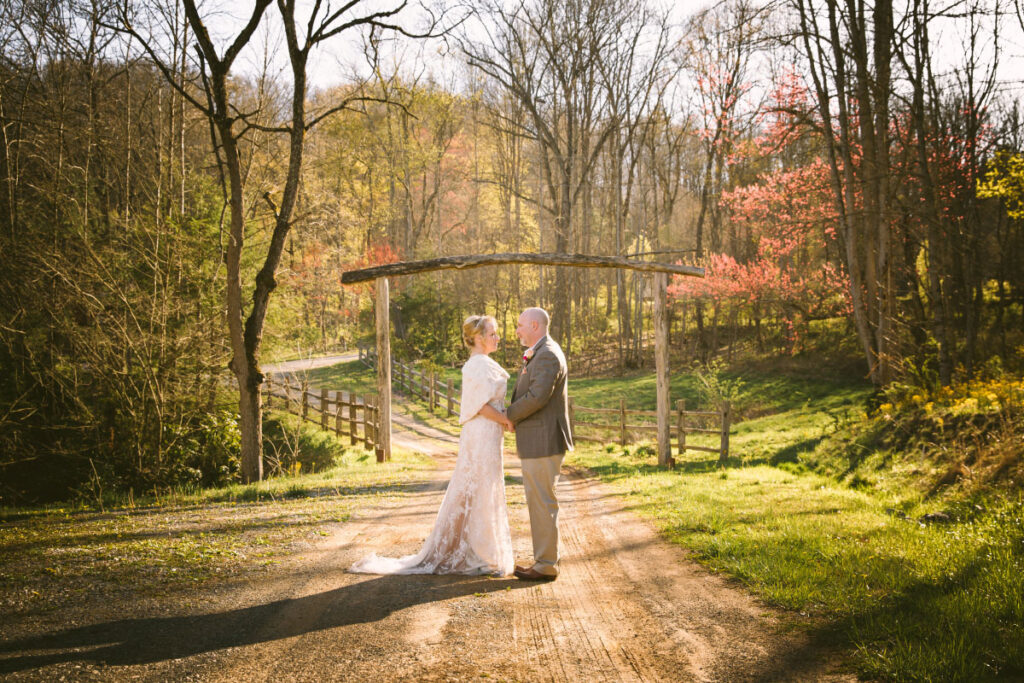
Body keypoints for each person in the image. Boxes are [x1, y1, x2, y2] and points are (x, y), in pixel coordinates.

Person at [349, 315, 515, 576]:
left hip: (489, 433)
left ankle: (483, 549)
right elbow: (480, 406)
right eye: (493, 333)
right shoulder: (476, 366)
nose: (497, 338)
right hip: (481, 433)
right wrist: (505, 419)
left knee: (485, 486)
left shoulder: (485, 363)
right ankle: (478, 552)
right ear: (479, 338)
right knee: (478, 486)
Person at [506, 307, 573, 581]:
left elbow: (537, 397)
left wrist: (507, 415)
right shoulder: (543, 350)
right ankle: (546, 558)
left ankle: (545, 564)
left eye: (520, 325)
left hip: (543, 439)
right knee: (540, 501)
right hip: (539, 438)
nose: (517, 330)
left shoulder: (547, 354)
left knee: (542, 502)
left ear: (534, 325)